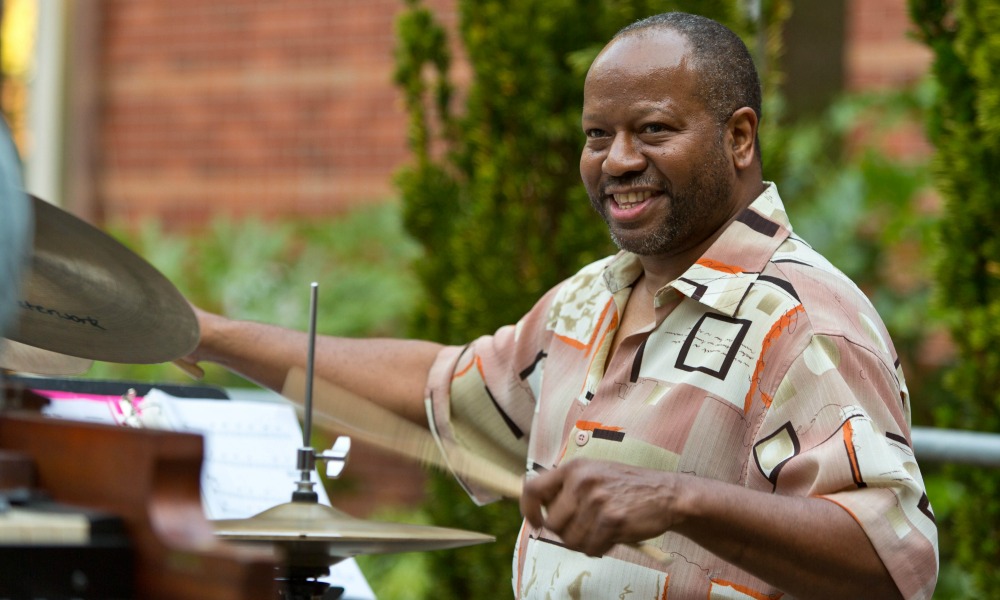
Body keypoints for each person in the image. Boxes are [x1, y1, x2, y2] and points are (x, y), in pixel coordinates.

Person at [185, 12, 938, 599]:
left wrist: (677, 500)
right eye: (596, 136)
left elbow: (894, 562)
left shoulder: (804, 318)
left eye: (653, 130)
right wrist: (208, 335)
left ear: (739, 137)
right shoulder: (590, 301)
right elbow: (436, 391)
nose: (617, 161)